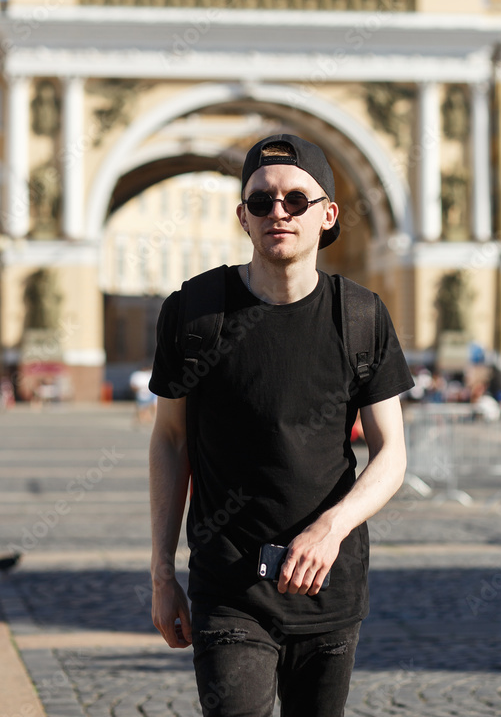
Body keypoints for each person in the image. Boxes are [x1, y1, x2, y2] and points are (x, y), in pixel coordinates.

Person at [148, 133, 413, 717]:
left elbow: (391, 453)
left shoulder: (360, 316)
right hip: (229, 590)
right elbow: (169, 440)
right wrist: (162, 572)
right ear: (242, 215)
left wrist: (330, 529)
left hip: (330, 588)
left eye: (296, 199)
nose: (279, 212)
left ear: (327, 215)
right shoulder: (195, 312)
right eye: (261, 201)